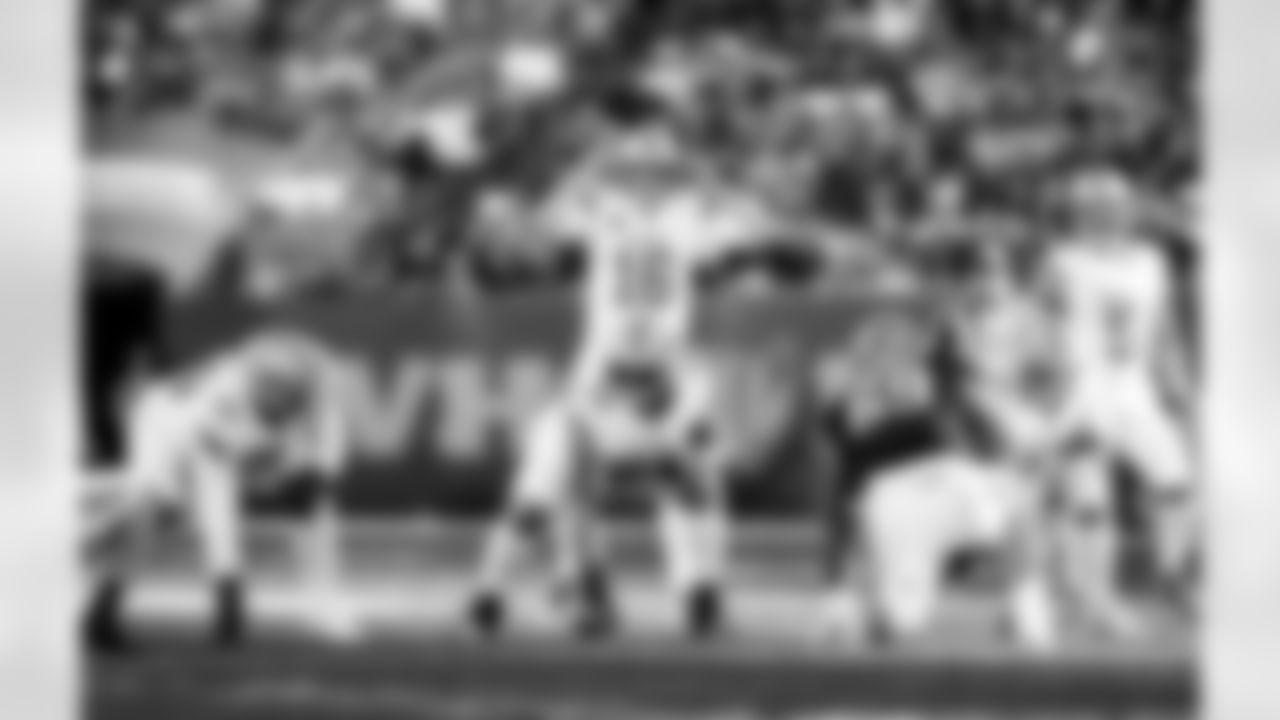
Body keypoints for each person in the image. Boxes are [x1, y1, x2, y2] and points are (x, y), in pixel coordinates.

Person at [466, 127, 768, 639]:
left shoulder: (603, 211)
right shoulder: (687, 215)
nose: (646, 184)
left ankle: (694, 592)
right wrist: (706, 177)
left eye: (654, 175)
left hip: (646, 376)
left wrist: (592, 163)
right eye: (638, 174)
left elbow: (543, 226)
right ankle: (516, 591)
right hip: (616, 378)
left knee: (685, 482)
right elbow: (752, 225)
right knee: (552, 492)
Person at [818, 239, 1068, 650]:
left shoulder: (951, 374)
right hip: (911, 507)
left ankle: (1026, 606)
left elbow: (1037, 389)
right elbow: (845, 486)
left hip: (951, 488)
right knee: (898, 620)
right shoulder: (864, 403)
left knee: (1019, 503)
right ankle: (1019, 607)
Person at [83, 331, 356, 652]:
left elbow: (324, 446)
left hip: (209, 438)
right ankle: (99, 606)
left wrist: (317, 477)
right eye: (276, 390)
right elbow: (217, 446)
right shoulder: (228, 385)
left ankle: (230, 618)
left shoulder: (312, 389)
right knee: (157, 508)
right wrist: (282, 477)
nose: (283, 400)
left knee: (218, 525)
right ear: (257, 379)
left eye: (290, 393)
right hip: (166, 420)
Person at [1039, 169, 1198, 631]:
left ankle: (1173, 577)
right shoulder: (1061, 259)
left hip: (1134, 388)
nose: (1107, 212)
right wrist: (1049, 390)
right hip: (1080, 387)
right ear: (1079, 210)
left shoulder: (1153, 260)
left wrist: (1180, 385)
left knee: (1177, 484)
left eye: (1115, 203)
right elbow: (1040, 323)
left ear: (1130, 208)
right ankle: (1096, 599)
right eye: (1095, 204)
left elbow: (1164, 329)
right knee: (1090, 500)